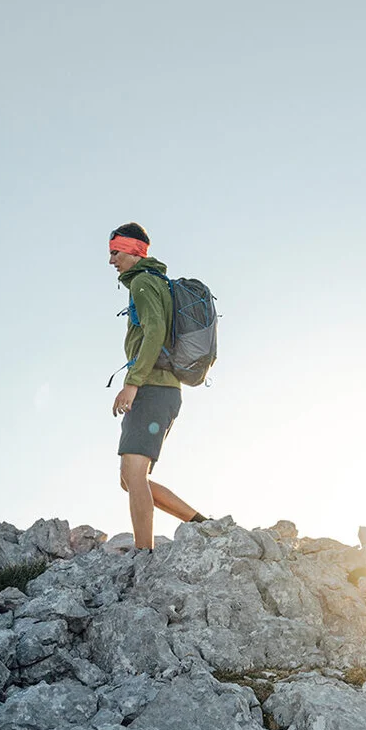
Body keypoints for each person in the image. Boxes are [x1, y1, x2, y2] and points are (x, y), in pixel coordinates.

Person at [107, 222, 208, 549]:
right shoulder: (155, 282)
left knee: (134, 474)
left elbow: (154, 332)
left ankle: (143, 554)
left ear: (134, 250)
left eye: (115, 252)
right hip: (164, 390)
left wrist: (132, 384)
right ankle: (201, 525)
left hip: (152, 388)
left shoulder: (143, 284)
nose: (112, 261)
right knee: (129, 478)